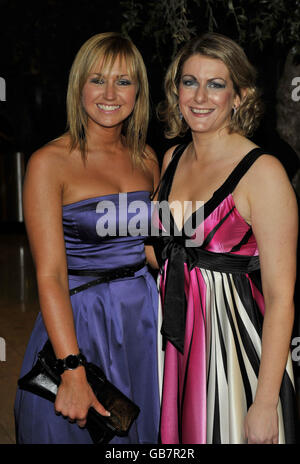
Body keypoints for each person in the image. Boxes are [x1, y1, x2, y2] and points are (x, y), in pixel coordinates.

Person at [14, 32, 160, 444]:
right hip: (80, 321)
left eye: (124, 81)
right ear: (79, 86)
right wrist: (72, 368)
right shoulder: (49, 163)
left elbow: (153, 249)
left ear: (138, 92)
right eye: (97, 79)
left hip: (142, 322)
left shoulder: (147, 158)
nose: (110, 93)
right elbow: (50, 276)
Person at [154, 32, 298, 444]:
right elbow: (166, 256)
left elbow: (281, 295)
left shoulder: (262, 173)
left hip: (237, 354)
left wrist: (265, 401)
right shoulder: (172, 158)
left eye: (216, 84)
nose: (200, 96)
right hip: (178, 345)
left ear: (239, 95)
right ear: (175, 89)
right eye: (189, 81)